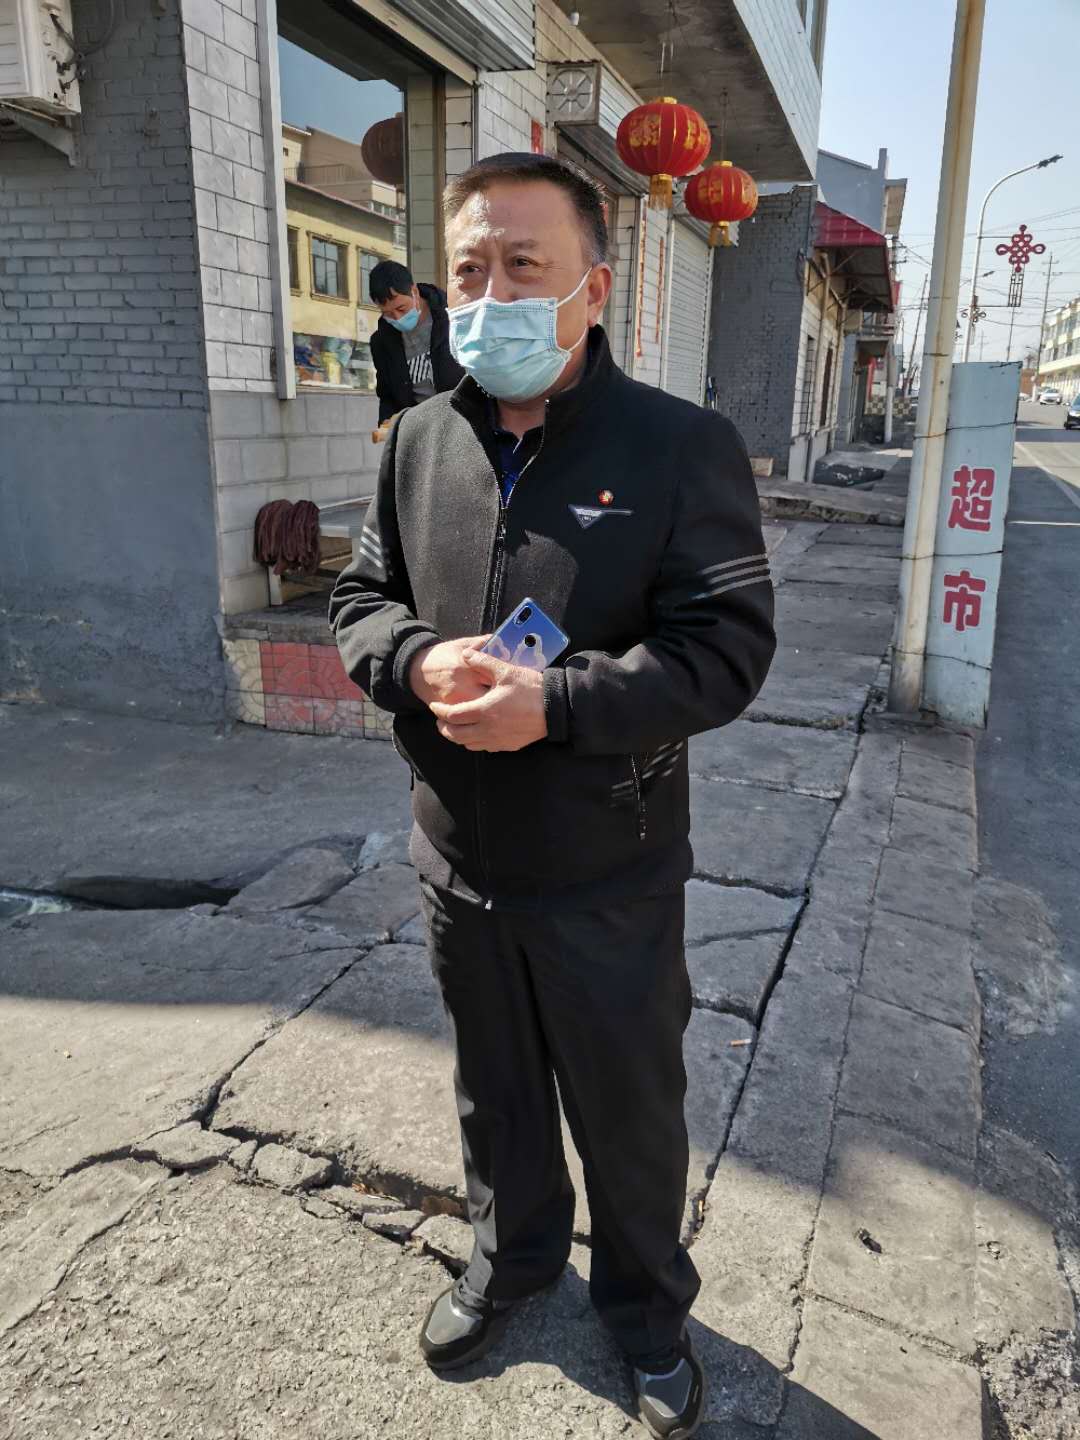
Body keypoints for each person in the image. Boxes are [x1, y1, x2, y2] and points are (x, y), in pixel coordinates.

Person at [330, 152, 775, 1440]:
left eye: (523, 266)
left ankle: (647, 1314)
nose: (491, 297)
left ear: (594, 286)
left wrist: (560, 704)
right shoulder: (418, 440)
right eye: (469, 270)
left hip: (608, 868)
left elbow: (727, 650)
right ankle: (511, 1258)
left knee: (628, 1111)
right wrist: (418, 660)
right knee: (496, 1093)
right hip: (458, 859)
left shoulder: (679, 447)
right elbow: (360, 602)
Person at [367, 260, 464, 423]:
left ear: (414, 292)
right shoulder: (381, 342)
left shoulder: (455, 315)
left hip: (463, 422)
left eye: (401, 308)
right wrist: (387, 423)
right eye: (387, 313)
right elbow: (387, 396)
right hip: (419, 429)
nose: (397, 318)